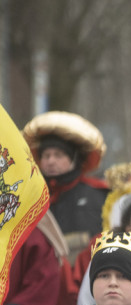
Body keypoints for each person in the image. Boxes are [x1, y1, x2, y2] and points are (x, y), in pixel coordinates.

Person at [22, 111, 109, 262]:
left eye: (58, 155)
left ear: (74, 159)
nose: (51, 161)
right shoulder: (29, 197)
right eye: (46, 155)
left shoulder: (99, 195)